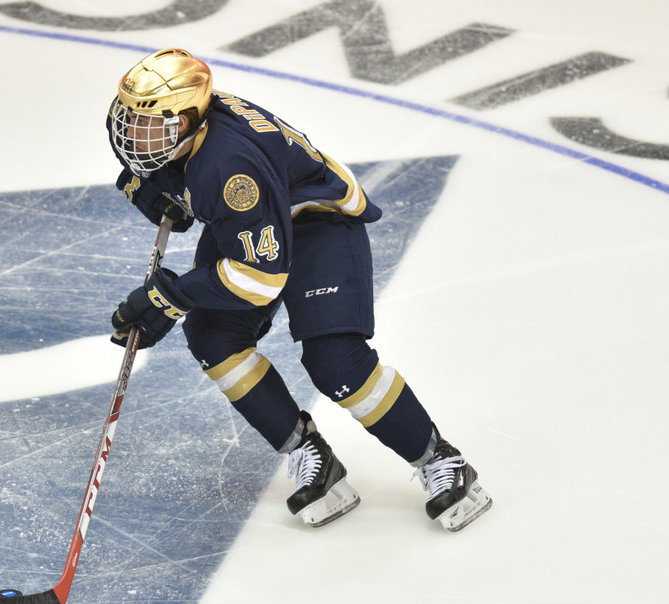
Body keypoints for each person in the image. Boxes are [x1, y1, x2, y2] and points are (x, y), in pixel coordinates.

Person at [106, 48, 491, 532]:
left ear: (184, 121)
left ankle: (441, 460)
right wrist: (164, 188)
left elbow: (259, 277)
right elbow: (192, 192)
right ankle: (310, 453)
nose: (130, 134)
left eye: (147, 126)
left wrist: (172, 294)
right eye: (129, 119)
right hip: (262, 221)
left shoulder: (228, 169)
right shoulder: (189, 135)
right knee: (213, 339)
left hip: (318, 225)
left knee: (335, 364)